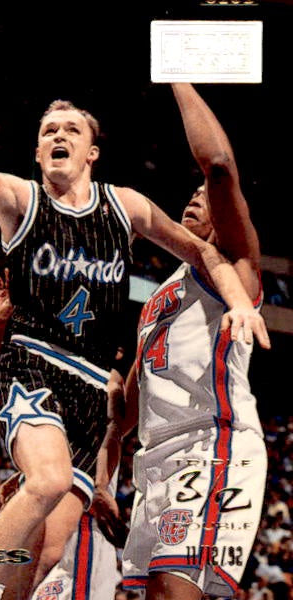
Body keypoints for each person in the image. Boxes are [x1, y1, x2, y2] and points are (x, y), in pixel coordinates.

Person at [0, 19, 269, 600]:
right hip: (38, 366)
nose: (58, 134)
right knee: (48, 487)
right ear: (37, 150)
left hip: (120, 406)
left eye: (71, 128)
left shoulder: (133, 212)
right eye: (48, 130)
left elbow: (209, 232)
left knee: (50, 551)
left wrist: (238, 302)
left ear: (92, 150)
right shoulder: (22, 201)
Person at [95, 83, 269, 600]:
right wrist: (102, 478)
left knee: (174, 590)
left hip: (210, 443)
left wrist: (178, 76)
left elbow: (219, 165)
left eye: (205, 196)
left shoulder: (234, 267)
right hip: (156, 459)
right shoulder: (160, 295)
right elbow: (125, 412)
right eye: (191, 193)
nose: (196, 196)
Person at [0, 272, 121, 600]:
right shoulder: (32, 342)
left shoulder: (108, 377)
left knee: (44, 557)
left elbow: (114, 431)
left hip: (88, 494)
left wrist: (100, 483)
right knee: (34, 557)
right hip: (61, 470)